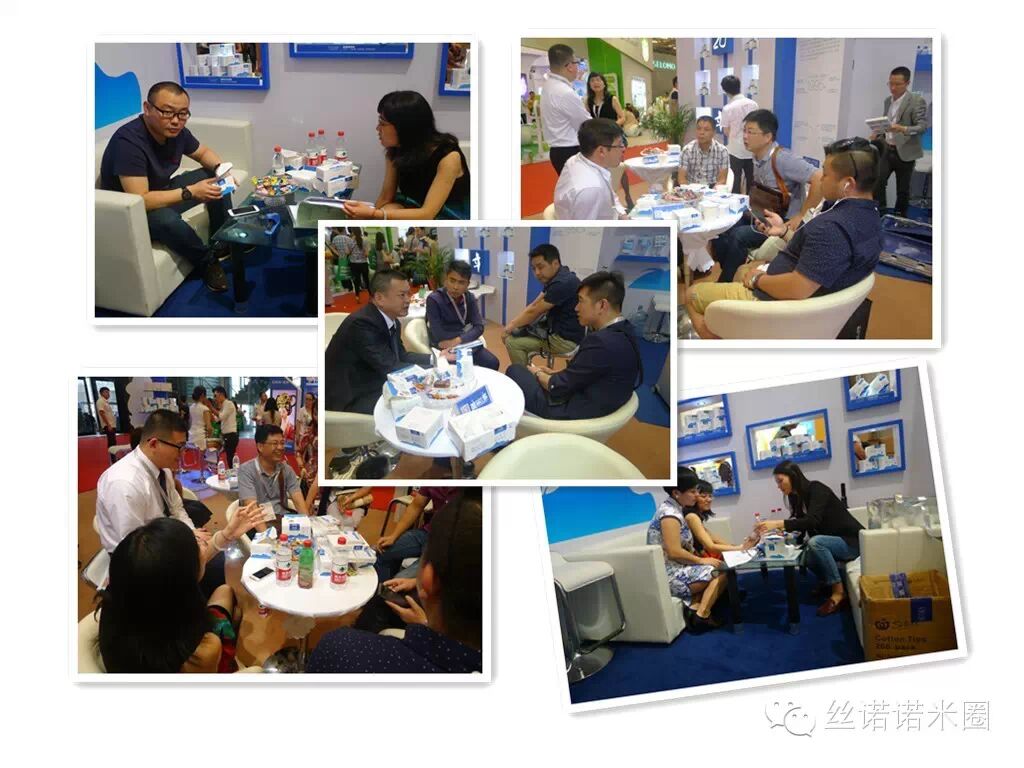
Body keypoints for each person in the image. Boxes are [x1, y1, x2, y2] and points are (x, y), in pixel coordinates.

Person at [686, 137, 881, 339]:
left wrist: (758, 279)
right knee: (742, 270)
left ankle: (717, 340)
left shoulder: (832, 228)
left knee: (691, 294)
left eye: (826, 174)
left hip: (777, 304)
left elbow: (798, 288)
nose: (821, 179)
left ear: (848, 184)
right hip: (797, 290)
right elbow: (819, 253)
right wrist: (784, 232)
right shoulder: (870, 217)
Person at [307, 490, 483, 673]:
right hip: (426, 538)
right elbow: (417, 504)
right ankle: (375, 599)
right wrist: (394, 537)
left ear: (429, 578)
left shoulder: (339, 647)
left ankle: (375, 607)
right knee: (381, 554)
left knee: (387, 599)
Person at [98, 81, 230, 293]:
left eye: (183, 114)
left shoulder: (177, 132)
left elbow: (203, 153)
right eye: (167, 112)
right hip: (131, 212)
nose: (176, 120)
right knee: (166, 219)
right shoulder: (129, 142)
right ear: (147, 108)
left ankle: (222, 240)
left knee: (214, 177)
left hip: (161, 191)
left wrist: (221, 169)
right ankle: (207, 261)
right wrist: (190, 192)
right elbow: (140, 199)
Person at [95, 510, 263, 674]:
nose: (203, 545)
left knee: (225, 591)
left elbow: (181, 562)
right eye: (196, 544)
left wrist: (227, 534)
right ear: (184, 585)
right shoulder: (200, 652)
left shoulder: (130, 588)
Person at [95, 409, 237, 597]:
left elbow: (177, 509)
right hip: (139, 563)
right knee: (208, 563)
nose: (182, 454)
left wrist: (190, 533)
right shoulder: (124, 483)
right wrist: (186, 543)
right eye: (179, 447)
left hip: (162, 541)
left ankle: (203, 605)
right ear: (154, 443)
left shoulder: (163, 470)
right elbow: (136, 546)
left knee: (214, 558)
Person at [507, 271, 641, 420]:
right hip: (601, 399)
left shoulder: (600, 342)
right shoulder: (626, 331)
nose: (576, 308)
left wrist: (537, 373)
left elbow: (556, 387)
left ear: (602, 305)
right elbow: (590, 372)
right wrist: (556, 373)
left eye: (581, 301)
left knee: (515, 370)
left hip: (573, 410)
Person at [711, 109, 823, 283]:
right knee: (721, 228)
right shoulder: (756, 156)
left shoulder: (783, 159)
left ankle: (724, 283)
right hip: (761, 215)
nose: (745, 136)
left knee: (738, 236)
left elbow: (819, 178)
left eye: (751, 132)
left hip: (780, 222)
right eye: (744, 131)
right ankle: (731, 274)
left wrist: (801, 215)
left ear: (767, 137)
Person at [324, 269, 441, 415]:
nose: (408, 300)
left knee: (426, 395)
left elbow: (401, 356)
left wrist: (436, 359)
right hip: (351, 396)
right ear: (379, 298)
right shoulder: (362, 324)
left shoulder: (392, 321)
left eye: (408, 294)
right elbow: (390, 366)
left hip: (374, 379)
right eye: (402, 295)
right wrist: (433, 372)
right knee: (418, 403)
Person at [757, 461, 864, 616]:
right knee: (805, 553)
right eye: (777, 483)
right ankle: (827, 581)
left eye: (780, 481)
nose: (778, 486)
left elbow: (813, 520)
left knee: (816, 543)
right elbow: (801, 525)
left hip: (852, 542)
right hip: (835, 541)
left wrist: (779, 523)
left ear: (793, 476)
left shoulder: (817, 489)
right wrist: (784, 534)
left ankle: (839, 593)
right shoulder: (796, 497)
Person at [342, 91, 470, 220]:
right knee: (388, 209)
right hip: (414, 206)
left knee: (387, 212)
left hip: (446, 214)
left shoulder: (448, 157)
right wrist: (369, 217)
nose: (377, 128)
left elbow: (427, 214)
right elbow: (386, 197)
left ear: (405, 127)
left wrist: (374, 214)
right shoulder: (396, 150)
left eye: (382, 123)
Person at [647, 473, 727, 631]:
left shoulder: (675, 510)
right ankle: (702, 615)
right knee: (723, 570)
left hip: (678, 567)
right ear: (676, 493)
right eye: (692, 491)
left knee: (719, 565)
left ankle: (695, 607)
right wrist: (701, 561)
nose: (697, 495)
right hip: (670, 576)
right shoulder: (669, 514)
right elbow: (674, 552)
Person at [502, 244, 586, 367]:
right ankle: (527, 372)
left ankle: (523, 377)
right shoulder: (561, 275)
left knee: (512, 342)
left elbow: (535, 311)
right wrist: (513, 324)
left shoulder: (561, 283)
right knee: (518, 330)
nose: (537, 273)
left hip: (565, 341)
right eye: (533, 268)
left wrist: (507, 329)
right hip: (563, 332)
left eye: (540, 267)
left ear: (555, 263)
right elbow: (534, 305)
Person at [871, 66, 928, 218]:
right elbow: (886, 123)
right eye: (890, 83)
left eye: (897, 84)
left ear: (907, 83)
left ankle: (900, 217)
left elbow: (922, 127)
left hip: (906, 151)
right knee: (878, 181)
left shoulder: (917, 101)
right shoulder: (887, 101)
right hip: (887, 149)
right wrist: (878, 132)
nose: (893, 88)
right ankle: (881, 213)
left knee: (903, 189)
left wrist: (903, 128)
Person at [425, 260, 500, 370]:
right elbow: (439, 334)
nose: (455, 287)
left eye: (461, 282)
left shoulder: (469, 297)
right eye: (452, 280)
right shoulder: (434, 300)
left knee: (493, 362)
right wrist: (468, 334)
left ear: (467, 285)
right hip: (445, 348)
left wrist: (458, 340)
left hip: (464, 343)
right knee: (460, 370)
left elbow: (479, 327)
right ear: (446, 279)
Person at [374, 486, 460, 581]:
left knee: (400, 580)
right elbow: (416, 506)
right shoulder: (433, 479)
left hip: (448, 544)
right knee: (380, 552)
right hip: (427, 533)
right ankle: (382, 587)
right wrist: (393, 536)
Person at [553, 118, 628, 220]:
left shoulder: (577, 159)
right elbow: (587, 229)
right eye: (619, 145)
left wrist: (622, 215)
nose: (623, 149)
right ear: (601, 151)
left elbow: (611, 197)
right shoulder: (591, 189)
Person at [238, 424, 310, 531]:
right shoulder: (246, 471)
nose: (280, 447)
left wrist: (308, 527)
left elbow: (298, 501)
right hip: (258, 524)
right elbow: (252, 509)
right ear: (260, 447)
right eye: (275, 443)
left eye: (282, 443)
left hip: (282, 521)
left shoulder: (286, 470)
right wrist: (266, 537)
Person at [539, 44, 591, 176]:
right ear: (569, 66)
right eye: (576, 63)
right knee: (582, 186)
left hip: (557, 150)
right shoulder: (564, 91)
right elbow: (585, 124)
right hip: (570, 150)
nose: (577, 68)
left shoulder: (548, 86)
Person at [684, 480, 756, 558]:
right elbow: (710, 546)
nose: (709, 499)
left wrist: (735, 547)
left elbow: (713, 538)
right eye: (704, 496)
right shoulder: (692, 517)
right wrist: (740, 548)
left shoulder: (696, 516)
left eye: (710, 496)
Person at [719, 75, 758, 194]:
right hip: (752, 149)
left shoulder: (728, 108)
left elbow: (726, 131)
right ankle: (752, 203)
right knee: (752, 182)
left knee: (734, 181)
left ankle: (735, 202)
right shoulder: (753, 104)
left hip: (735, 150)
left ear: (725, 90)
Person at [678, 115, 730, 187]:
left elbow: (722, 180)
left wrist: (712, 192)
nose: (701, 132)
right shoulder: (687, 150)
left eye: (706, 129)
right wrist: (689, 191)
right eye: (699, 129)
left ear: (714, 132)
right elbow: (682, 179)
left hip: (714, 187)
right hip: (692, 187)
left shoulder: (722, 151)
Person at [294, 397, 319, 508]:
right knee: (309, 507)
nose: (318, 417)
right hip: (311, 475)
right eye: (316, 414)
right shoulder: (310, 432)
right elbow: (298, 452)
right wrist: (302, 467)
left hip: (329, 479)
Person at [211, 386, 238, 468]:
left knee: (230, 459)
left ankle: (234, 474)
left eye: (215, 396)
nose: (215, 398)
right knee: (228, 458)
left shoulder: (229, 404)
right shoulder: (224, 405)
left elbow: (221, 417)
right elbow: (217, 419)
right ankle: (232, 473)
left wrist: (211, 407)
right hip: (226, 435)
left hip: (231, 435)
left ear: (221, 394)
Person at [344, 227, 371, 300]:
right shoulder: (365, 240)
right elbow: (366, 254)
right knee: (366, 279)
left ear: (352, 232)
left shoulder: (349, 241)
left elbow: (347, 252)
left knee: (356, 280)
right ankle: (370, 294)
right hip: (363, 263)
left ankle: (357, 296)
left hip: (354, 264)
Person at [96, 386, 117, 463]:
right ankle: (112, 458)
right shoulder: (100, 401)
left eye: (108, 392)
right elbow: (101, 413)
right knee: (111, 442)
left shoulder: (105, 401)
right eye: (106, 392)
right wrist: (108, 425)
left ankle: (113, 457)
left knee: (113, 441)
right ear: (101, 393)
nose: (108, 394)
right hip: (109, 425)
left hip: (111, 424)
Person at [187, 385, 211, 452]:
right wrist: (210, 436)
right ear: (203, 395)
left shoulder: (191, 407)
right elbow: (209, 427)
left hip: (191, 436)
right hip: (200, 437)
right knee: (202, 457)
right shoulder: (205, 409)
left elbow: (190, 423)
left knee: (193, 457)